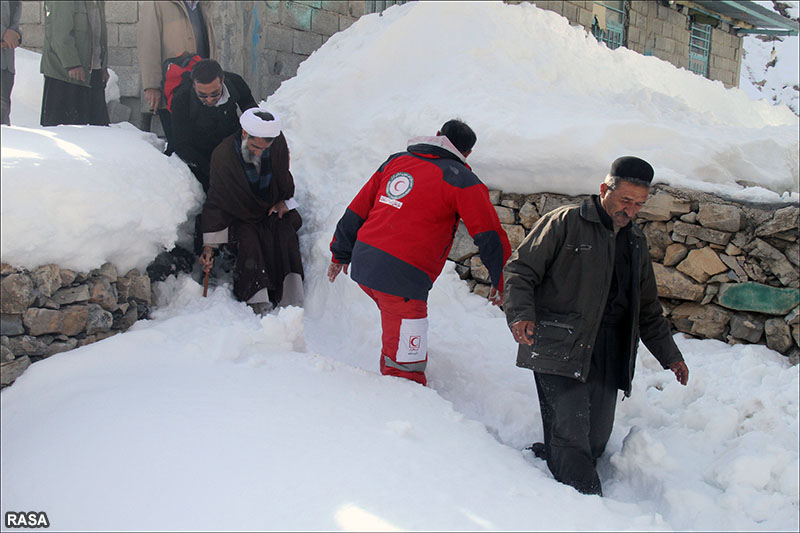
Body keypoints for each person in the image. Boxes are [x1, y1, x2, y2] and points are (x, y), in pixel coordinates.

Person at [503, 156, 690, 496]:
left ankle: (558, 459)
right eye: (625, 201)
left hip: (609, 348)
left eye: (638, 205)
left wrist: (670, 356)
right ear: (605, 189)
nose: (631, 211)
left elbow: (647, 308)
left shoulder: (635, 241)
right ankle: (587, 508)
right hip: (559, 342)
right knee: (571, 432)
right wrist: (520, 313)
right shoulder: (565, 222)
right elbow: (520, 271)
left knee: (595, 440)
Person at [328, 119, 512, 386]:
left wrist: (340, 253)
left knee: (398, 333)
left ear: (437, 135)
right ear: (468, 153)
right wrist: (502, 279)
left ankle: (396, 359)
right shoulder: (463, 180)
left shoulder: (397, 161)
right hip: (402, 279)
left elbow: (357, 208)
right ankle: (402, 410)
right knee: (405, 369)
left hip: (366, 263)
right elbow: (489, 234)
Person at [198, 108, 303, 313]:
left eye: (265, 148)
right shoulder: (224, 155)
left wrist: (283, 201)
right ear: (245, 134)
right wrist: (209, 247)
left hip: (269, 208)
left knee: (285, 234)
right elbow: (217, 198)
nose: (259, 153)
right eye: (255, 147)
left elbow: (283, 176)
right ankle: (258, 298)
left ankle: (290, 297)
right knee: (249, 240)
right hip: (239, 213)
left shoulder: (277, 143)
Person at [137, 0, 216, 148]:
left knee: (199, 144)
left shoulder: (202, 5)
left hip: (201, 88)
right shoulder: (156, 3)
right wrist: (152, 85)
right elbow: (148, 43)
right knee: (179, 144)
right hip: (172, 87)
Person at [171, 59, 257, 192]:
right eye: (203, 95)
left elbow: (253, 114)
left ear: (222, 80)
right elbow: (181, 144)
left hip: (230, 144)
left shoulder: (235, 83)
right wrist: (211, 169)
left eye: (215, 93)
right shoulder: (181, 98)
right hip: (200, 153)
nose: (210, 99)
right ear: (194, 85)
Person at [40, 0, 109, 127]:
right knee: (68, 132)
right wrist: (72, 64)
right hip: (65, 76)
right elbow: (60, 34)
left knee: (98, 132)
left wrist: (103, 67)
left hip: (92, 73)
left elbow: (98, 35)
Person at [1, 0, 22, 125]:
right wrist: (4, 33)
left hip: (7, 63)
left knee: (3, 111)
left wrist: (17, 36)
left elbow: (15, 26)